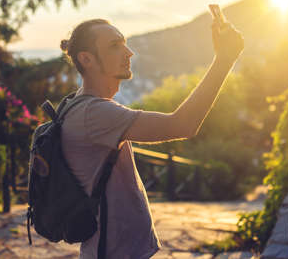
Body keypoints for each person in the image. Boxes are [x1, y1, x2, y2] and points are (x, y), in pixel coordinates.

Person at [59, 17, 244, 259]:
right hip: (114, 251)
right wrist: (224, 59)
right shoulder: (94, 113)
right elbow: (183, 125)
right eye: (115, 46)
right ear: (87, 59)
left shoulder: (82, 105)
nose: (129, 52)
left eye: (124, 43)